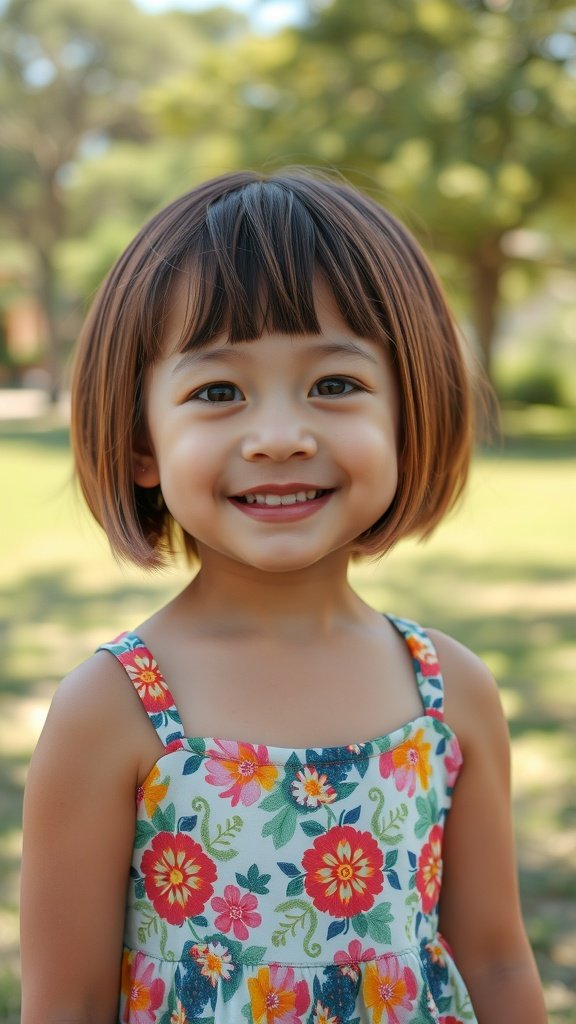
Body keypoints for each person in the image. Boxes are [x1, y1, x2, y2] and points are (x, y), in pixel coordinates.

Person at [20, 170, 546, 1024]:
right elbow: (66, 1003)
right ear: (141, 440)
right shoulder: (114, 709)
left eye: (333, 385)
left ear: (411, 416)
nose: (279, 438)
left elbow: (493, 959)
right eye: (217, 392)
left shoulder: (450, 691)